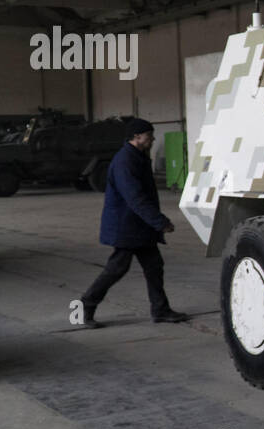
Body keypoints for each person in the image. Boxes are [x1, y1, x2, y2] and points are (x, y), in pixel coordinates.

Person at [79, 118, 188, 327]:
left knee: (154, 266)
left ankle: (160, 310)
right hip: (126, 226)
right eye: (149, 135)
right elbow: (135, 198)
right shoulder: (125, 162)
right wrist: (159, 222)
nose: (153, 139)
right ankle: (86, 303)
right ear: (137, 137)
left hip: (139, 226)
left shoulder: (137, 157)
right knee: (117, 268)